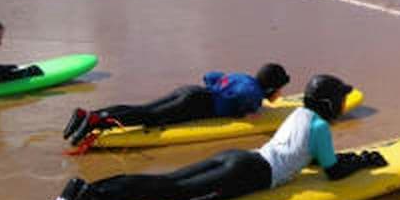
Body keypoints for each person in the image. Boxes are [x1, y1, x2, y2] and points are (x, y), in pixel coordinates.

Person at [39, 74, 387, 200]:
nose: (343, 103)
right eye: (341, 98)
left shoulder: (299, 114)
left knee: (171, 180)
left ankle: (84, 193)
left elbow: (305, 157)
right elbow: (333, 173)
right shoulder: (321, 127)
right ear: (329, 104)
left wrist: (342, 159)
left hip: (240, 157)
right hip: (251, 174)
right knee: (174, 193)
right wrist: (363, 162)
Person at [64, 63, 291, 146]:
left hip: (190, 92)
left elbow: (211, 76)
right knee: (148, 117)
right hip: (195, 105)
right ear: (270, 88)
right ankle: (96, 122)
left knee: (143, 108)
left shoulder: (242, 77)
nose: (281, 93)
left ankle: (88, 115)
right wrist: (246, 112)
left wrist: (222, 94)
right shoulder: (253, 94)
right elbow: (243, 98)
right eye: (280, 89)